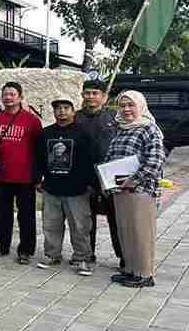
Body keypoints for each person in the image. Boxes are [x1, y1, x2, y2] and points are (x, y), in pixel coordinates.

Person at [107, 91, 166, 288]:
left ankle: (144, 274)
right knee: (126, 231)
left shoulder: (150, 129)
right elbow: (112, 156)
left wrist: (135, 179)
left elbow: (155, 160)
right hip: (120, 189)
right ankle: (130, 270)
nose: (126, 109)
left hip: (140, 190)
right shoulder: (121, 128)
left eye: (130, 105)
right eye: (122, 105)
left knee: (141, 232)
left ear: (140, 106)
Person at [35, 99, 97, 276]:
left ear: (73, 111)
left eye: (66, 108)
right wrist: (37, 179)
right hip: (52, 187)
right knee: (51, 225)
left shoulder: (83, 133)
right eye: (58, 109)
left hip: (77, 189)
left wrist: (91, 184)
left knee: (80, 226)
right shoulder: (45, 133)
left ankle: (82, 258)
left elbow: (91, 159)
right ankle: (52, 255)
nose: (62, 112)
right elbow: (39, 158)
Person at [0, 82, 43, 264]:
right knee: (3, 213)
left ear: (20, 97)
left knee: (26, 214)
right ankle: (1, 246)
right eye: (5, 94)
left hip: (25, 175)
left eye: (12, 94)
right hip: (3, 174)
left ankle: (26, 250)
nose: (8, 97)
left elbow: (38, 148)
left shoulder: (32, 120)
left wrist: (38, 176)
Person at [75, 79, 122, 267]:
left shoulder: (115, 118)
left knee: (116, 219)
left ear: (104, 97)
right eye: (87, 93)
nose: (91, 97)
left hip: (110, 175)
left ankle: (123, 256)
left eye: (95, 93)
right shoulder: (75, 118)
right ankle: (87, 254)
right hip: (83, 175)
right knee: (85, 220)